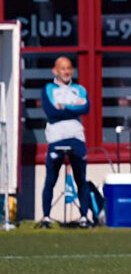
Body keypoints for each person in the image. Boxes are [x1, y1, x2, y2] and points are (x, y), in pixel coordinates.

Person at [39, 56, 93, 228]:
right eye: (62, 68)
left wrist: (65, 107)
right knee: (51, 179)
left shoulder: (79, 89)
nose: (67, 71)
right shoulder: (49, 88)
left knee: (80, 178)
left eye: (69, 68)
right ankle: (46, 217)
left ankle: (84, 216)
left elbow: (85, 108)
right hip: (56, 136)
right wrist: (73, 108)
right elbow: (51, 112)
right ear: (55, 71)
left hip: (76, 136)